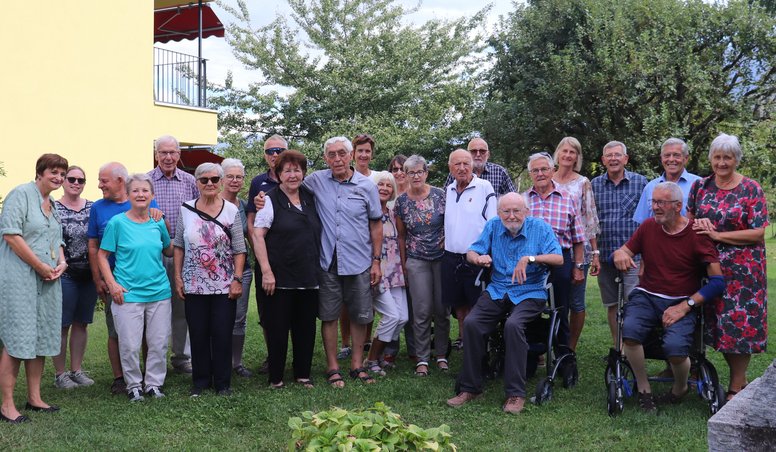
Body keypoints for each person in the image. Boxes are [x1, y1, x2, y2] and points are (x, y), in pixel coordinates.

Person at [254, 136, 382, 387]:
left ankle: (357, 365)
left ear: (351, 155)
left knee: (360, 315)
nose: (337, 159)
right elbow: (284, 182)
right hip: (327, 261)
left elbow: (376, 223)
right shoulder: (316, 181)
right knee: (329, 315)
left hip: (359, 259)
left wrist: (376, 260)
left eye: (342, 153)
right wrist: (262, 197)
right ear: (325, 159)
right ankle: (333, 366)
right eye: (331, 154)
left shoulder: (367, 186)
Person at [613, 182, 724, 413]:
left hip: (682, 300)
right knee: (630, 332)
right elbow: (623, 250)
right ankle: (644, 390)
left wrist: (686, 306)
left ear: (678, 206)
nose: (655, 207)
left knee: (675, 350)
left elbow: (717, 282)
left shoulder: (697, 234)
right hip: (647, 294)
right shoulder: (647, 227)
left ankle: (680, 388)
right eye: (653, 202)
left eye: (661, 202)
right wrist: (620, 255)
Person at [446, 193, 562, 414]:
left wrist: (530, 258)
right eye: (506, 211)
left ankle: (515, 394)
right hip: (498, 289)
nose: (511, 216)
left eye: (516, 211)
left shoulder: (540, 227)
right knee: (471, 323)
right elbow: (472, 251)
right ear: (499, 213)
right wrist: (477, 258)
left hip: (531, 291)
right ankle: (471, 387)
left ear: (526, 212)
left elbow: (558, 258)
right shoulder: (493, 226)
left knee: (513, 325)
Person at [687, 133, 768, 401]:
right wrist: (700, 226)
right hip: (708, 266)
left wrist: (718, 236)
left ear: (736, 159)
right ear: (711, 158)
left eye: (727, 157)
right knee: (714, 324)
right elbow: (688, 222)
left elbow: (757, 233)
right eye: (718, 157)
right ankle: (712, 377)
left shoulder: (751, 188)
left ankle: (735, 387)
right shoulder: (700, 186)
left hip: (744, 272)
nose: (722, 163)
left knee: (738, 327)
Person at [0, 154, 69, 423]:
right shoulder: (20, 195)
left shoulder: (52, 204)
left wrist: (61, 263)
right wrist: (40, 266)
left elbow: (58, 239)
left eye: (62, 174)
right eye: (54, 172)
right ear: (40, 172)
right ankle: (6, 405)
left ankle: (34, 397)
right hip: (21, 280)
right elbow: (11, 235)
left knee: (41, 338)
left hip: (50, 280)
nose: (59, 178)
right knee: (17, 338)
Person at [97, 173, 173, 402]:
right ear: (128, 195)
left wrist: (165, 223)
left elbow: (168, 250)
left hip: (159, 292)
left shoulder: (157, 221)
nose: (140, 194)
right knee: (129, 344)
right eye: (136, 191)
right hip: (128, 294)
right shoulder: (117, 223)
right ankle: (133, 386)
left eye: (145, 191)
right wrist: (112, 285)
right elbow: (102, 256)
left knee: (158, 343)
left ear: (152, 195)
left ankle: (153, 384)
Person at [173, 163, 246, 397]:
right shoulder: (185, 209)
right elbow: (178, 245)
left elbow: (239, 249)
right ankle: (201, 381)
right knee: (198, 333)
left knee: (223, 333)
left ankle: (223, 383)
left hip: (224, 284)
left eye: (215, 179)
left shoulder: (231, 211)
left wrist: (237, 279)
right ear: (196, 183)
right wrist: (178, 276)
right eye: (204, 180)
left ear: (221, 181)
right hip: (194, 283)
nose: (210, 184)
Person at [253, 150, 321, 389]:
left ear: (303, 172)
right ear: (278, 174)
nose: (293, 175)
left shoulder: (311, 197)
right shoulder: (269, 200)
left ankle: (303, 375)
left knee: (306, 328)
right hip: (279, 277)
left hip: (308, 275)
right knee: (278, 329)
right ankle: (276, 378)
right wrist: (266, 271)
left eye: (297, 170)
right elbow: (258, 235)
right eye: (287, 170)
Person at [523, 152, 585, 384]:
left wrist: (578, 267)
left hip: (561, 258)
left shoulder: (567, 198)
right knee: (529, 307)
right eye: (535, 170)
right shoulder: (523, 199)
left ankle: (564, 359)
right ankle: (530, 356)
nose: (540, 174)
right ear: (530, 174)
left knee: (561, 308)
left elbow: (578, 238)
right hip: (531, 260)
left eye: (544, 169)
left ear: (551, 171)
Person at [147, 135, 198, 375]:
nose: (168, 157)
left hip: (183, 252)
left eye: (172, 153)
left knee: (181, 305)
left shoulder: (190, 181)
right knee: (154, 306)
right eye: (163, 153)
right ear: (156, 155)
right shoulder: (145, 181)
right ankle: (153, 358)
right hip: (152, 254)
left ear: (179, 154)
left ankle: (181, 356)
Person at [395, 155, 449, 376]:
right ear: (405, 176)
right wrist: (404, 264)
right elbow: (401, 236)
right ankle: (422, 358)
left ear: (426, 173)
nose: (415, 176)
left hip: (442, 258)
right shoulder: (401, 202)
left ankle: (442, 355)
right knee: (421, 310)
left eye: (419, 171)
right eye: (411, 172)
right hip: (416, 259)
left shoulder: (440, 195)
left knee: (442, 309)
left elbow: (451, 223)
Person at [591, 141, 648, 344]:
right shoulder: (594, 185)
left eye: (617, 155)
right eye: (609, 155)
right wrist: (594, 254)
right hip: (606, 255)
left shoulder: (641, 183)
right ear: (603, 160)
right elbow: (590, 220)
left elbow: (647, 221)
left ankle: (632, 346)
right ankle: (618, 347)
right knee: (612, 304)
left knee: (633, 303)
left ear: (626, 159)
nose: (613, 159)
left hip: (633, 257)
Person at [443, 149, 497, 350]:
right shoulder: (448, 190)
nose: (462, 168)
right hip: (450, 257)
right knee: (459, 306)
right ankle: (466, 343)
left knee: (477, 306)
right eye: (457, 164)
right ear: (450, 168)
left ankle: (481, 346)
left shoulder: (484, 187)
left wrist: (489, 255)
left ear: (472, 165)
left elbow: (492, 224)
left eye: (466, 163)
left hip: (476, 259)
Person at [552, 138, 600, 354]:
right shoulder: (546, 177)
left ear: (577, 157)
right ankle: (545, 344)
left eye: (573, 152)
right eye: (565, 151)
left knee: (575, 302)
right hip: (549, 250)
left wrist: (595, 253)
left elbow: (590, 219)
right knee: (548, 299)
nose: (568, 155)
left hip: (576, 251)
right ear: (558, 153)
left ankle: (569, 347)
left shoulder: (582, 182)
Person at [245, 134, 287, 374]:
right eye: (270, 151)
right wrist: (257, 248)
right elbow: (251, 221)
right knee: (267, 309)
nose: (274, 155)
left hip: (291, 256)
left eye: (279, 150)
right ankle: (273, 356)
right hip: (265, 256)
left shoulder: (297, 178)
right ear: (264, 155)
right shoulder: (258, 182)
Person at [337, 133, 380, 361]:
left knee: (366, 299)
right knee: (345, 302)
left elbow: (378, 219)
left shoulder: (376, 179)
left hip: (365, 249)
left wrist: (377, 257)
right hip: (343, 250)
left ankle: (366, 340)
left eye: (367, 151)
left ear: (372, 154)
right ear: (353, 153)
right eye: (360, 151)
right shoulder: (334, 178)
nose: (364, 155)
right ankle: (345, 342)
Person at [53, 166, 96, 389]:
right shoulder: (53, 208)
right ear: (63, 181)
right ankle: (60, 374)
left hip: (89, 274)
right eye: (72, 179)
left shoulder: (92, 207)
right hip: (65, 273)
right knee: (63, 324)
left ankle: (76, 370)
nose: (76, 183)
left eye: (81, 180)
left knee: (82, 323)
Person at [363, 172, 409, 375]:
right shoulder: (366, 213)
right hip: (377, 271)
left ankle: (379, 355)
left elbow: (400, 239)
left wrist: (404, 267)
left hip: (395, 271)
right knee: (391, 316)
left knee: (403, 317)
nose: (384, 188)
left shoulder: (392, 213)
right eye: (380, 184)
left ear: (393, 191)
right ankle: (371, 359)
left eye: (388, 185)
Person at [382, 154, 417, 367]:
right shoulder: (388, 199)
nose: (398, 172)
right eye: (394, 169)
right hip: (392, 261)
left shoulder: (417, 196)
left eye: (402, 168)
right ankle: (389, 350)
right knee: (395, 308)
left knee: (413, 309)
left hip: (416, 256)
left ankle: (414, 349)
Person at [220, 158, 254, 378]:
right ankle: (218, 361)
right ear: (222, 179)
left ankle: (236, 363)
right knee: (218, 317)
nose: (234, 181)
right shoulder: (211, 203)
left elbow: (251, 235)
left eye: (238, 177)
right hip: (216, 270)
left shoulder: (244, 206)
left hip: (243, 269)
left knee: (239, 318)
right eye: (230, 176)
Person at [633, 138, 701, 224]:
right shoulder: (650, 187)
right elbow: (642, 223)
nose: (671, 159)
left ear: (686, 158)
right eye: (667, 155)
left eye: (676, 155)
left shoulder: (699, 185)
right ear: (661, 158)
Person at [444, 137, 516, 196]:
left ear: (488, 154)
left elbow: (513, 197)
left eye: (482, 151)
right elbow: (445, 196)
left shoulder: (499, 172)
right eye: (474, 151)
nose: (478, 154)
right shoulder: (457, 172)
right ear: (468, 154)